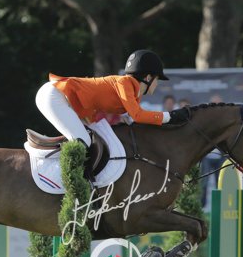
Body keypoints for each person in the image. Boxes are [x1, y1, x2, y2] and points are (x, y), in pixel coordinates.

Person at [35, 49, 189, 178]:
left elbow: (133, 120)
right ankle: (68, 183)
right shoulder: (125, 83)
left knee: (96, 142)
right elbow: (138, 116)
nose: (157, 83)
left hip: (64, 100)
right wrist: (170, 116)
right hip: (54, 95)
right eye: (157, 79)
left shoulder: (134, 92)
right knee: (83, 143)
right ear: (148, 77)